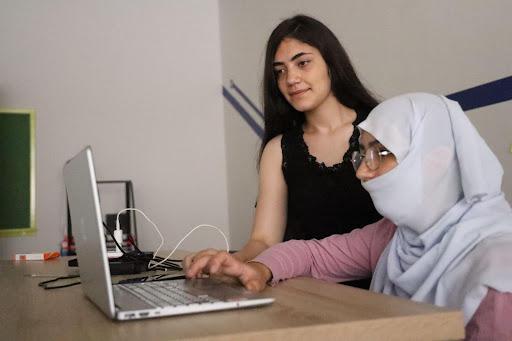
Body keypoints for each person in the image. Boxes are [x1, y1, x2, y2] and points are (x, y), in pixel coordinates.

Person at [186, 93, 512, 340]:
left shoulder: (498, 274)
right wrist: (256, 268)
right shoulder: (395, 236)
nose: (363, 171)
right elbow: (312, 253)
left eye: (380, 153)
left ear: (435, 160)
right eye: (362, 153)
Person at [184, 15, 381, 288]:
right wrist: (230, 262)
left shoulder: (380, 128)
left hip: (381, 289)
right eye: (280, 71)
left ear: (331, 63)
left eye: (303, 63)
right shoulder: (278, 149)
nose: (291, 78)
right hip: (307, 290)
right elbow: (264, 240)